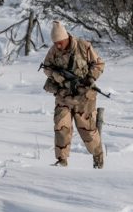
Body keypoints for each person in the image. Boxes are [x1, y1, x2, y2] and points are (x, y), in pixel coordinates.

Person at [41, 20, 105, 168]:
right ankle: (62, 161)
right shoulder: (53, 51)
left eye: (60, 43)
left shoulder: (83, 46)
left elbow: (99, 64)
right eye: (55, 43)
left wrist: (89, 79)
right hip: (64, 95)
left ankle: (98, 159)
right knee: (61, 126)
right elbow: (46, 68)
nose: (58, 46)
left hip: (84, 97)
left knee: (88, 131)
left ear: (67, 38)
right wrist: (58, 78)